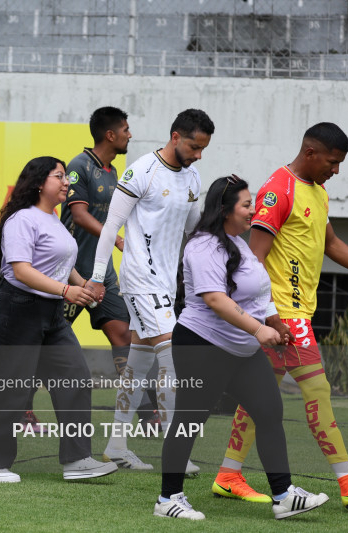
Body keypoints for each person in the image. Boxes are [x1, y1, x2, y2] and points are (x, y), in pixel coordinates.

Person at [154, 175, 329, 520]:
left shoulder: (241, 243)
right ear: (224, 210)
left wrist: (274, 321)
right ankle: (168, 498)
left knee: (268, 412)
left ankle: (283, 495)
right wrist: (258, 330)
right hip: (201, 346)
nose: (254, 211)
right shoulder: (202, 246)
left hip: (241, 350)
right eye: (247, 205)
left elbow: (257, 294)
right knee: (191, 419)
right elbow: (216, 300)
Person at [212, 122, 348, 510]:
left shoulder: (319, 190)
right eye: (333, 162)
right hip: (283, 317)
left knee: (259, 399)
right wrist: (264, 318)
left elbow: (332, 244)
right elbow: (254, 260)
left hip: (292, 315)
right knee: (319, 394)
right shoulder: (278, 189)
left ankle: (227, 475)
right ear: (310, 152)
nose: (336, 170)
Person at [86, 109, 215, 475]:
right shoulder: (143, 170)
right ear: (175, 136)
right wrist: (97, 277)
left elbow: (189, 232)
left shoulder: (192, 177)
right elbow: (111, 226)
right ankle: (177, 452)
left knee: (139, 363)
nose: (198, 154)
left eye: (204, 148)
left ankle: (116, 446)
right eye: (194, 146)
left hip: (165, 285)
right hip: (140, 280)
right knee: (174, 359)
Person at [0, 156, 117, 482]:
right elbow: (21, 270)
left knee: (76, 378)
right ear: (40, 182)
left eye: (66, 177)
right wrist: (67, 291)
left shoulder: (54, 219)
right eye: (59, 176)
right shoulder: (22, 220)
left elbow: (62, 263)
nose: (66, 182)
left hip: (51, 314)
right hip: (18, 310)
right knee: (9, 389)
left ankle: (78, 460)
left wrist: (83, 285)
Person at [56, 106, 159, 468]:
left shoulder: (116, 172)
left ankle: (140, 415)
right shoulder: (78, 165)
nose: (131, 135)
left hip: (102, 275)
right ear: (110, 135)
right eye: (126, 130)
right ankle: (20, 407)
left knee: (124, 337)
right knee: (43, 341)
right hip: (66, 272)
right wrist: (115, 238)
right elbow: (80, 215)